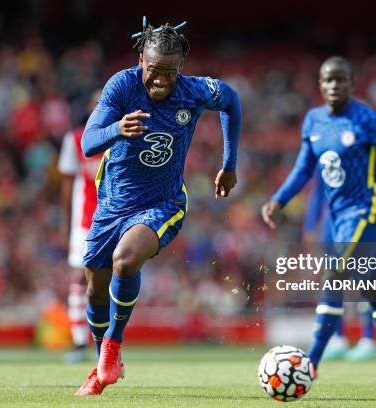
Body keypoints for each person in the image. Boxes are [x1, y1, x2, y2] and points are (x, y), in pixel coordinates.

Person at [75, 19, 242, 396]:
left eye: (169, 72)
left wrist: (229, 164)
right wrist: (118, 128)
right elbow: (88, 143)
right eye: (154, 71)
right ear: (141, 61)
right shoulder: (122, 85)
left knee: (125, 259)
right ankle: (102, 359)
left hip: (163, 203)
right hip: (112, 205)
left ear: (180, 67)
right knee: (94, 291)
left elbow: (230, 99)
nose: (161, 81)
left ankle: (111, 352)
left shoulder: (195, 91)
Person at [262, 56, 376, 381]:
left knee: (336, 273)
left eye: (341, 80)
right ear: (320, 85)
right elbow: (304, 168)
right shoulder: (313, 121)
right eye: (328, 80)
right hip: (335, 217)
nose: (334, 85)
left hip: (367, 210)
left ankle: (311, 363)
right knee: (369, 284)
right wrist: (279, 199)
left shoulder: (368, 119)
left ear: (352, 84)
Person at [303, 175, 376, 361]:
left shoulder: (361, 153)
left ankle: (368, 339)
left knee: (364, 281)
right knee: (332, 281)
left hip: (358, 219)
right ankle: (338, 338)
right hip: (331, 224)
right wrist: (310, 225)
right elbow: (318, 192)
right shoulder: (324, 151)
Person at [57, 89, 104, 363]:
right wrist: (65, 227)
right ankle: (78, 342)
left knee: (111, 279)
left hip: (115, 219)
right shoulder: (75, 140)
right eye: (95, 102)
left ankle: (107, 343)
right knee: (78, 276)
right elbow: (66, 188)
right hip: (85, 221)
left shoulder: (122, 136)